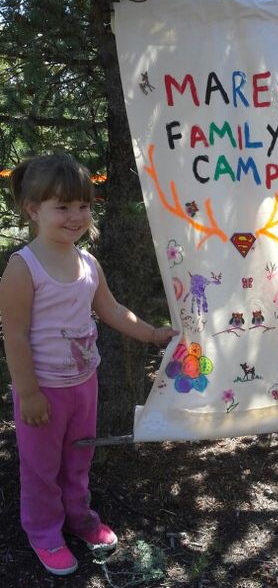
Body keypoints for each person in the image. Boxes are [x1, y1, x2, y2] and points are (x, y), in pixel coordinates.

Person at [0, 154, 178, 576]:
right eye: (62, 207)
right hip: (42, 390)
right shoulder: (23, 268)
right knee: (42, 468)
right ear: (33, 210)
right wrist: (28, 393)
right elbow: (15, 335)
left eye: (83, 205)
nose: (76, 216)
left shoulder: (88, 263)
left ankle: (78, 517)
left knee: (78, 458)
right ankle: (44, 530)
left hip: (84, 383)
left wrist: (154, 334)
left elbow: (112, 310)